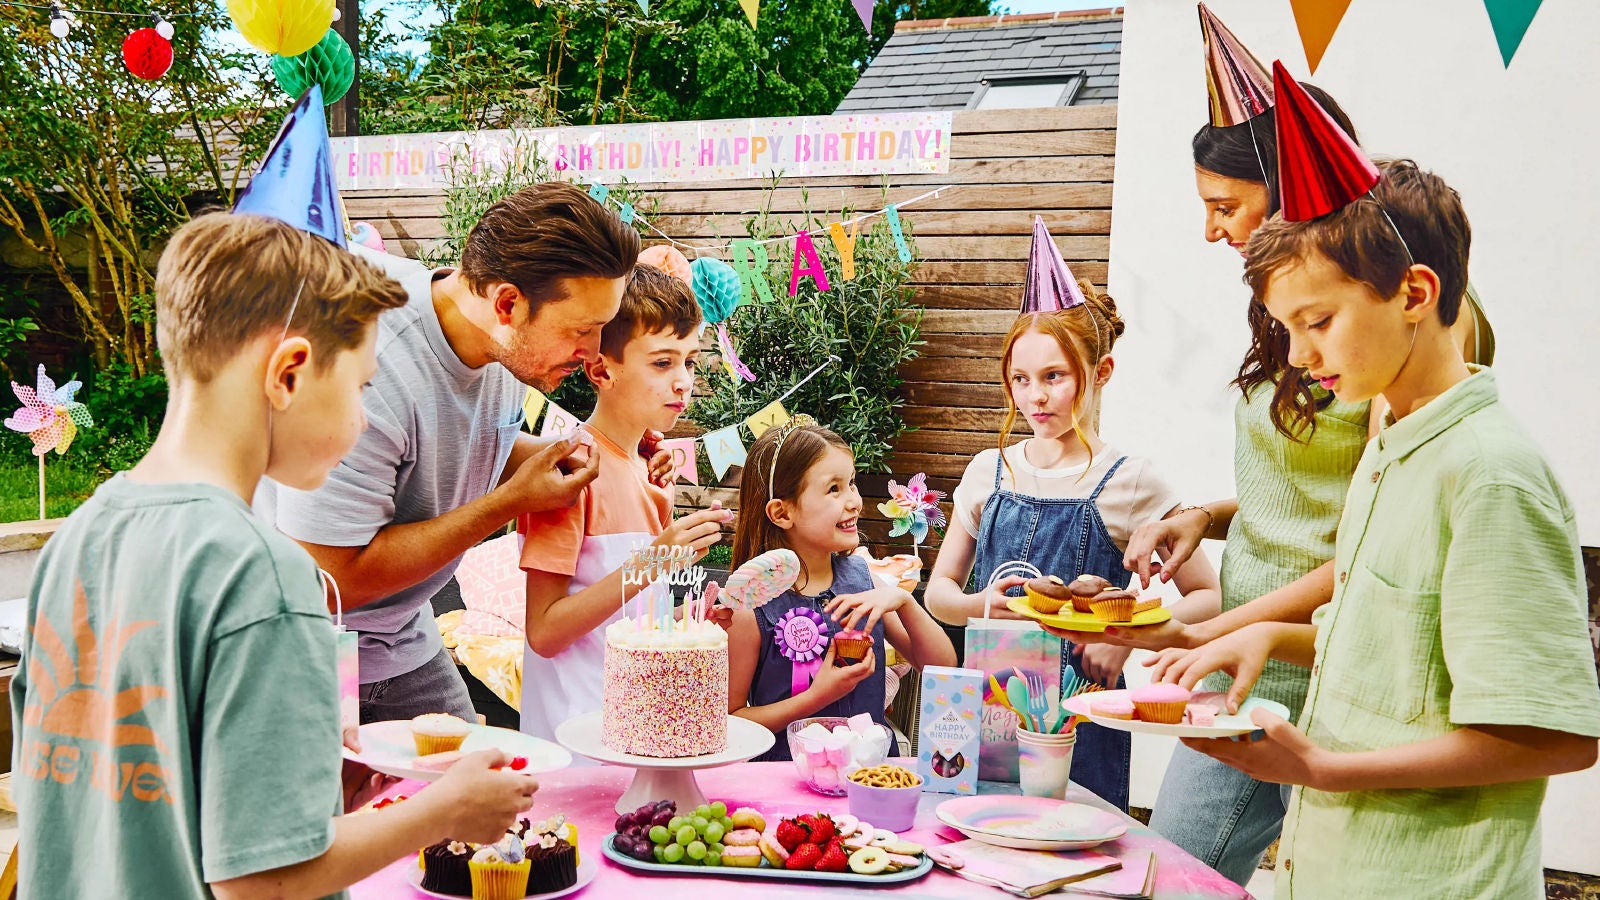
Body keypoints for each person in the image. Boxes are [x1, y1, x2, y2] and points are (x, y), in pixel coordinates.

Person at [1053, 14, 1494, 880]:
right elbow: (1307, 483)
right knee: (1175, 872)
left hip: (1316, 657)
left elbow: (1378, 529)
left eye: (1226, 206)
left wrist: (1212, 628)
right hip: (1244, 655)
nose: (1214, 231)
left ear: (1289, 186)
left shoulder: (1398, 334)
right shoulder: (1293, 313)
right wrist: (1206, 518)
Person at [11, 213, 540, 899]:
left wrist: (314, 804)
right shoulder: (268, 577)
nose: (360, 422)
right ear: (289, 373)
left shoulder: (76, 540)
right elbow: (264, 880)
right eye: (359, 388)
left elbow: (96, 795)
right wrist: (445, 808)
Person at [1150, 157, 1600, 899]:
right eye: (1288, 327)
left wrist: (1322, 770)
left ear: (1415, 293)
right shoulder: (1389, 442)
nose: (1298, 355)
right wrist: (1269, 635)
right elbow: (1400, 654)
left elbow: (1555, 736)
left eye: (1318, 322)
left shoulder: (1490, 474)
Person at [257, 182, 665, 724]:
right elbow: (330, 577)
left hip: (400, 632)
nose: (592, 352)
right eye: (582, 330)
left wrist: (603, 456)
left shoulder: (501, 343)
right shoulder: (367, 371)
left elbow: (471, 440)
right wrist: (507, 503)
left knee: (483, 798)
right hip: (295, 644)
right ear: (507, 303)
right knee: (346, 808)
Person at [923, 258, 1220, 810]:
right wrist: (975, 604)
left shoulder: (1131, 481)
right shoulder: (988, 471)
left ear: (1101, 371)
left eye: (1054, 376)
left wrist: (1123, 638)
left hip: (1082, 715)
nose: (1035, 396)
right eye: (1021, 379)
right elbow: (939, 593)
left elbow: (1208, 596)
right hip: (981, 708)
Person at [516, 264, 732, 742]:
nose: (683, 382)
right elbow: (545, 633)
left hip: (637, 730)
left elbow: (625, 620)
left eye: (690, 361)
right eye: (662, 362)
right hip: (573, 739)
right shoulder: (569, 471)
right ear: (600, 369)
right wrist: (654, 562)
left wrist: (690, 620)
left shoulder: (650, 469)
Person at [726, 418, 956, 761]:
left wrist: (905, 603)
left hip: (870, 777)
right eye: (833, 489)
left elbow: (943, 667)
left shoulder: (864, 579)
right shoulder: (750, 605)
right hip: (789, 783)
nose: (854, 501)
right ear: (782, 512)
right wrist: (817, 696)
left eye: (851, 483)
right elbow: (731, 721)